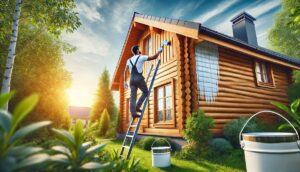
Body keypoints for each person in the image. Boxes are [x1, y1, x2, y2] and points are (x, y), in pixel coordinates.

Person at [124, 45, 163, 118]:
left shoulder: (128, 60)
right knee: (145, 92)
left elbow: (125, 71)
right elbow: (154, 57)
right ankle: (137, 107)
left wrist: (124, 82)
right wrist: (159, 51)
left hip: (131, 80)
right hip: (139, 78)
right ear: (138, 50)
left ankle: (133, 113)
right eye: (139, 49)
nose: (140, 50)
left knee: (132, 97)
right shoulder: (141, 57)